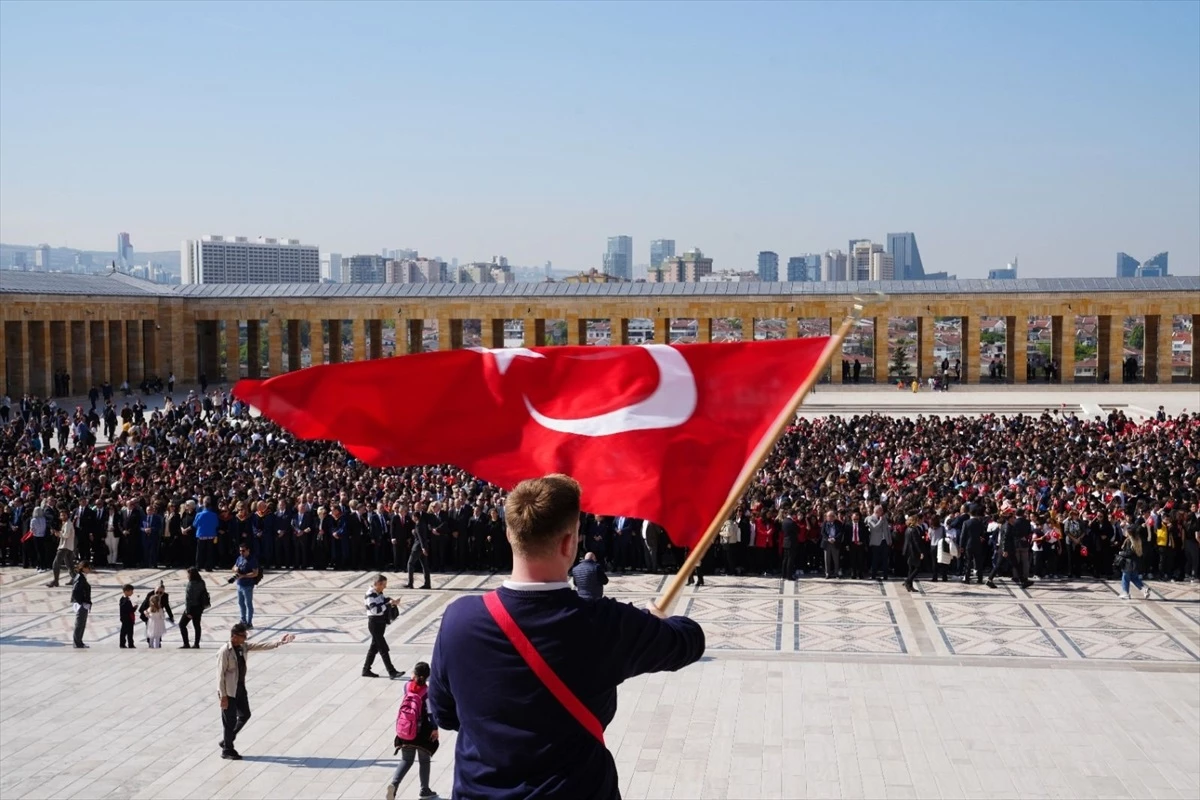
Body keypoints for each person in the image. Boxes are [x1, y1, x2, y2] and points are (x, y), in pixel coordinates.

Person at [428, 474, 705, 798]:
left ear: (509, 533)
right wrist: (654, 622)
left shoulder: (458, 619)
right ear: (569, 542)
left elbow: (444, 713)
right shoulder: (604, 624)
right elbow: (689, 640)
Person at [217, 623, 296, 760]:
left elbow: (260, 646)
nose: (245, 638)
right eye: (243, 636)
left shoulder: (243, 646)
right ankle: (227, 750)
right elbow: (220, 675)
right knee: (229, 721)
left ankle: (227, 739)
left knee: (245, 714)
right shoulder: (225, 651)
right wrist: (223, 696)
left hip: (240, 688)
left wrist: (279, 642)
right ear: (234, 636)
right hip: (229, 691)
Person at [387, 661, 440, 800]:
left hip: (406, 729)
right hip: (422, 732)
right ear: (427, 676)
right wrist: (435, 728)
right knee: (424, 760)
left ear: (414, 674)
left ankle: (394, 784)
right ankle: (425, 790)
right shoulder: (427, 692)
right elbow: (430, 713)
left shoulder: (406, 686)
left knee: (406, 759)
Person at [364, 574, 405, 679]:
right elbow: (374, 610)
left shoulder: (379, 593)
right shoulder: (370, 595)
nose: (384, 587)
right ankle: (391, 671)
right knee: (383, 648)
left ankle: (366, 669)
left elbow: (382, 601)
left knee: (374, 647)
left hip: (381, 622)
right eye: (383, 585)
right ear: (377, 584)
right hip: (374, 623)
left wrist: (391, 601)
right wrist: (387, 604)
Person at [1117, 528, 1153, 600]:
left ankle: (1125, 593)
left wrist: (1121, 553)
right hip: (1136, 563)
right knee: (1134, 578)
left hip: (1128, 563)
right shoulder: (1138, 540)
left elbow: (1129, 553)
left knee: (1125, 578)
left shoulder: (1129, 541)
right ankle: (1144, 589)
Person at [180, 568, 211, 649]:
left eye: (188, 574)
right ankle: (196, 644)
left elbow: (188, 599)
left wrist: (188, 611)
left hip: (192, 608)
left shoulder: (190, 584)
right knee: (197, 626)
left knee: (182, 624)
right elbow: (204, 593)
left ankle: (186, 643)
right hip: (199, 607)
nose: (187, 576)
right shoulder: (202, 582)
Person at [46, 504, 75, 587]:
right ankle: (75, 578)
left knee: (56, 563)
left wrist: (58, 533)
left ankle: (55, 580)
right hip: (68, 546)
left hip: (64, 546)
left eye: (64, 515)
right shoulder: (65, 523)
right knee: (69, 564)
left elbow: (66, 535)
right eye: (61, 515)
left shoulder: (68, 524)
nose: (62, 516)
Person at [233, 543, 259, 629]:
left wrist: (244, 576)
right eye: (240, 550)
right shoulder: (240, 558)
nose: (241, 552)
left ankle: (249, 622)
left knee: (248, 604)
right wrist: (235, 569)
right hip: (239, 584)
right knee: (241, 603)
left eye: (243, 550)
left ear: (248, 550)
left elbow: (255, 573)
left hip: (248, 585)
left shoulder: (252, 560)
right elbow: (233, 567)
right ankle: (243, 620)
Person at [70, 561, 92, 648]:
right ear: (83, 568)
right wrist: (81, 602)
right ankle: (77, 642)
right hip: (82, 604)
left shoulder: (82, 577)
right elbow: (75, 591)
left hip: (83, 603)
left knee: (82, 623)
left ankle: (79, 641)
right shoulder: (80, 578)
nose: (89, 569)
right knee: (79, 623)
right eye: (88, 568)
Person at [902, 514, 924, 592]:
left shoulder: (908, 529)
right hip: (913, 551)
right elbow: (916, 542)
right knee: (918, 568)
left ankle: (909, 585)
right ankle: (908, 580)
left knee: (911, 569)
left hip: (908, 551)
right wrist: (920, 552)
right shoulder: (913, 529)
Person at [119, 584, 136, 648]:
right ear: (126, 591)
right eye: (131, 591)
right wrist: (134, 608)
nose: (132, 593)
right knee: (124, 632)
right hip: (126, 618)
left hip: (129, 618)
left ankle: (130, 643)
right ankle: (122, 644)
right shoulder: (124, 600)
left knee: (130, 632)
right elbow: (127, 609)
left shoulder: (126, 599)